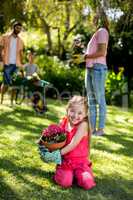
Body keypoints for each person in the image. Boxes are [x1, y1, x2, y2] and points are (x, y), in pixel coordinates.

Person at [39, 96, 96, 190]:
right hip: (66, 161)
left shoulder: (83, 125)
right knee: (65, 182)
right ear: (67, 109)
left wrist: (56, 155)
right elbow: (55, 137)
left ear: (85, 114)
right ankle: (68, 174)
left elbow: (72, 144)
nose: (75, 115)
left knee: (88, 183)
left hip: (80, 162)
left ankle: (78, 174)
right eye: (72, 111)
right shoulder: (64, 121)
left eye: (80, 113)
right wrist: (43, 144)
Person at [84, 9, 109, 136]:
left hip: (98, 68)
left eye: (95, 17)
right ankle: (92, 129)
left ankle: (101, 129)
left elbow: (102, 53)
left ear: (100, 18)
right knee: (91, 100)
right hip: (90, 68)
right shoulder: (97, 33)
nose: (93, 19)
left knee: (100, 100)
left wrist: (85, 57)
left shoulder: (102, 31)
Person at [0, 21, 24, 105]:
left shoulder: (21, 41)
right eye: (17, 28)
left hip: (16, 65)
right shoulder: (5, 37)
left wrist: (21, 66)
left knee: (15, 84)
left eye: (20, 29)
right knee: (6, 84)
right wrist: (1, 61)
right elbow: (0, 49)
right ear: (14, 27)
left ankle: (11, 102)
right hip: (7, 64)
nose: (19, 30)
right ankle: (1, 99)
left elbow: (21, 54)